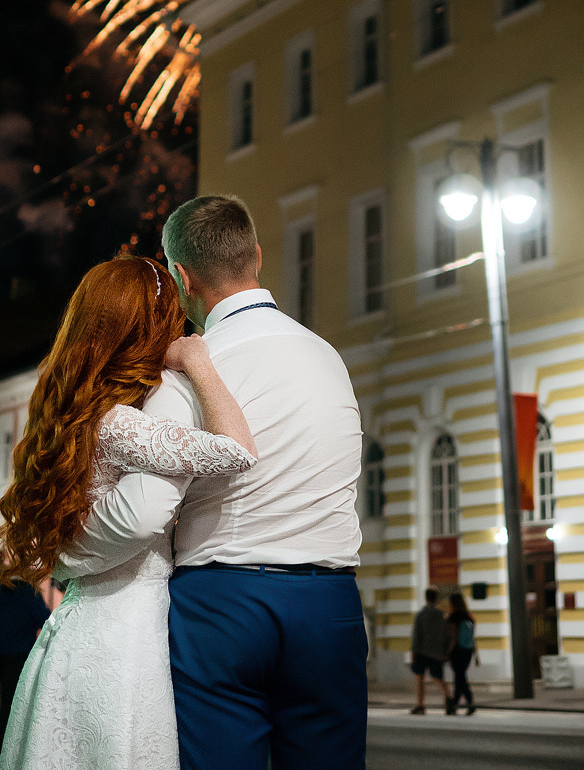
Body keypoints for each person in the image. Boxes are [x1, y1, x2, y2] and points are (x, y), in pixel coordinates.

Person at [45, 197, 367, 770]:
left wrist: (68, 554)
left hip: (225, 601)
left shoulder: (187, 372)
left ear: (181, 275)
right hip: (330, 600)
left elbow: (144, 510)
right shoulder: (328, 358)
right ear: (258, 257)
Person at [0, 253, 258, 770]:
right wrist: (198, 362)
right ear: (148, 326)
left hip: (75, 625)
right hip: (125, 633)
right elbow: (238, 450)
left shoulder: (76, 413)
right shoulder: (119, 424)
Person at [0, 559, 50, 758]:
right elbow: (44, 618)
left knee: (7, 699)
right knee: (14, 701)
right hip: (20, 654)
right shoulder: (29, 592)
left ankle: (0, 747)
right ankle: (3, 748)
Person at [410, 586, 455, 714]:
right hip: (437, 652)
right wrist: (445, 651)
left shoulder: (421, 614)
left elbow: (416, 635)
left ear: (426, 597)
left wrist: (413, 653)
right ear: (437, 598)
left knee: (420, 679)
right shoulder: (442, 614)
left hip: (421, 651)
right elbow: (447, 634)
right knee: (437, 677)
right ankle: (448, 696)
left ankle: (420, 705)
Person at [446, 590, 478, 714]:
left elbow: (453, 637)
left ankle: (469, 702)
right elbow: (473, 636)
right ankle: (455, 704)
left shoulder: (454, 616)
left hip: (457, 651)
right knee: (460, 677)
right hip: (468, 651)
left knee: (460, 677)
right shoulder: (469, 616)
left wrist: (448, 651)